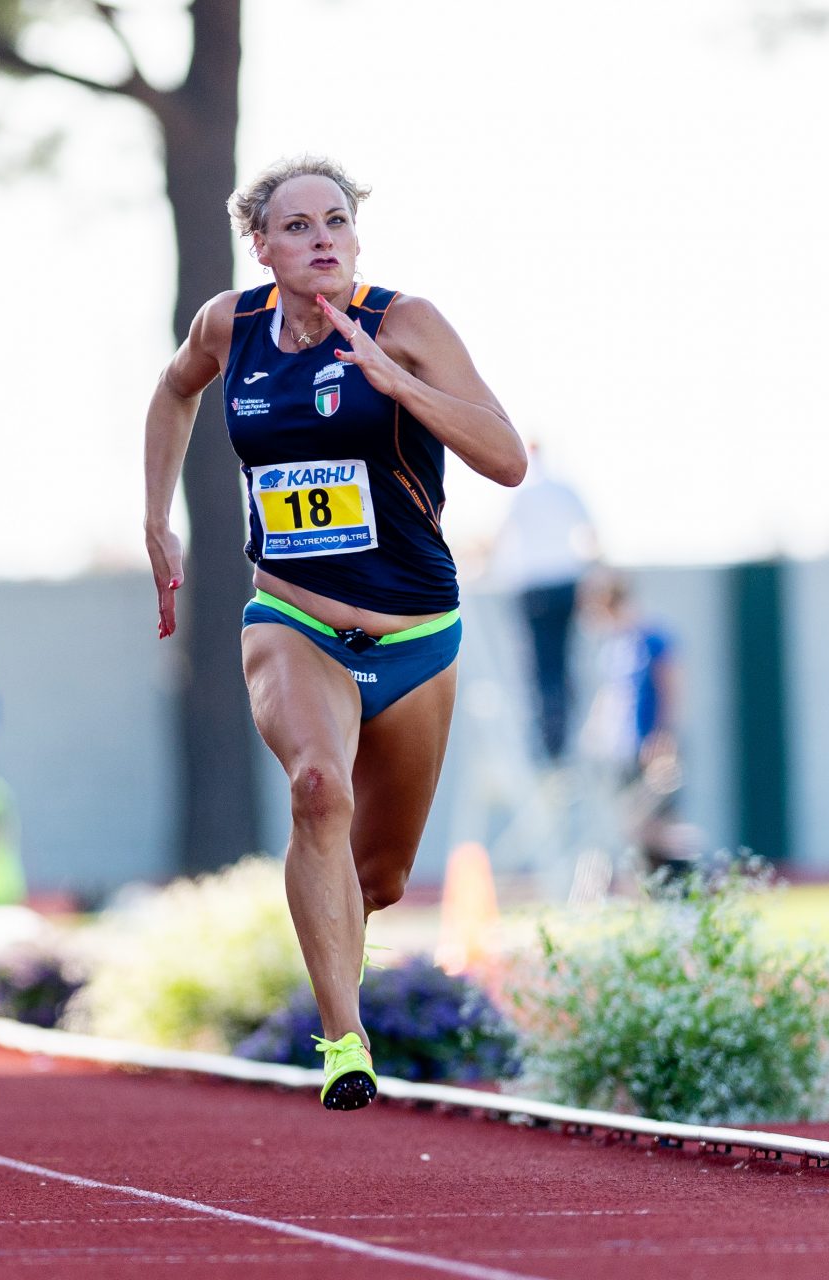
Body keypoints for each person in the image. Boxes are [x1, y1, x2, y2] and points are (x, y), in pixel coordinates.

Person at [142, 156, 526, 1110]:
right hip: (292, 618)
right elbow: (174, 389)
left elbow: (506, 458)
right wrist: (157, 514)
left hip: (416, 633)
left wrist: (397, 384)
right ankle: (344, 1043)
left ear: (355, 236)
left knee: (380, 879)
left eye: (337, 221)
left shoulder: (407, 323)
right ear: (261, 245)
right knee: (317, 788)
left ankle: (343, 955)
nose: (321, 237)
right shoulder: (229, 326)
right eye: (299, 225)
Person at [487, 442, 596, 765]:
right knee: (562, 660)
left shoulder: (522, 492)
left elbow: (501, 534)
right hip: (564, 578)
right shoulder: (564, 488)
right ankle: (562, 737)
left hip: (534, 583)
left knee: (541, 666)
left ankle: (551, 744)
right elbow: (590, 532)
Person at [578, 569, 689, 881]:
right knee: (631, 825)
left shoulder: (652, 637)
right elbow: (611, 694)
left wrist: (665, 734)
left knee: (653, 821)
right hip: (621, 750)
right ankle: (649, 889)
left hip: (650, 746)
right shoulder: (613, 645)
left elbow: (671, 686)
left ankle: (681, 886)